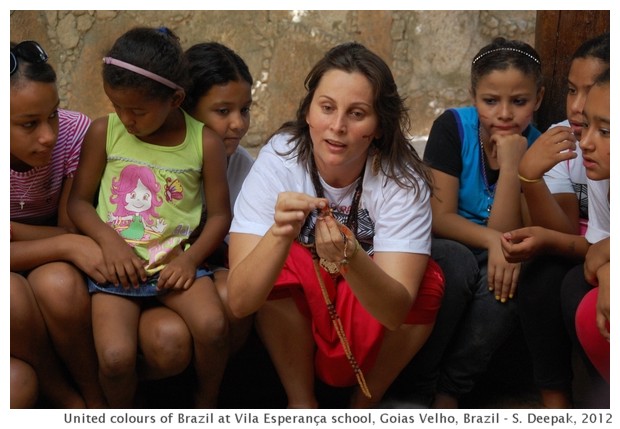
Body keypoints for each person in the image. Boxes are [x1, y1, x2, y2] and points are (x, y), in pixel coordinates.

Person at [226, 42, 445, 409]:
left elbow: (395, 310)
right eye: (326, 108)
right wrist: (280, 233)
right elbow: (239, 300)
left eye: (357, 113)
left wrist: (352, 258)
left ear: (378, 126)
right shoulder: (281, 157)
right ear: (308, 112)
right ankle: (302, 405)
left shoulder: (401, 179)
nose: (337, 127)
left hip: (365, 298)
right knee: (275, 261)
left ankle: (363, 405)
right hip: (306, 299)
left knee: (428, 281)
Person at [67, 27, 231, 408]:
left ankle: (206, 403)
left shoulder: (204, 142)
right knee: (115, 358)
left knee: (214, 327)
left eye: (137, 110)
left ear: (175, 99)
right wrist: (109, 242)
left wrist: (190, 260)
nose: (126, 118)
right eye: (117, 105)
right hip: (116, 273)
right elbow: (78, 203)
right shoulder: (104, 132)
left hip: (175, 267)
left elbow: (221, 215)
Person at [421, 37, 544, 408]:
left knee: (504, 293)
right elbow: (438, 218)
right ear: (473, 96)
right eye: (491, 101)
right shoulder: (453, 128)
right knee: (455, 265)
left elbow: (512, 230)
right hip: (449, 243)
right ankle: (418, 382)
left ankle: (450, 392)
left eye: (519, 102)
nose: (504, 114)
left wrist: (511, 165)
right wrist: (493, 243)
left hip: (503, 249)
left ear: (538, 99)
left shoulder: (539, 148)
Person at [500, 33, 609, 408]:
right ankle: (555, 404)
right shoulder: (571, 140)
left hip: (590, 249)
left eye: (592, 90)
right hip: (584, 244)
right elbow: (565, 229)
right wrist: (529, 176)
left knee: (573, 289)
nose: (578, 107)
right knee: (543, 276)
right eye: (571, 90)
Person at [137, 41, 256, 381]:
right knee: (168, 341)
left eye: (244, 110)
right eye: (223, 111)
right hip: (143, 280)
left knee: (234, 296)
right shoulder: (146, 161)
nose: (238, 124)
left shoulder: (242, 166)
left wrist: (194, 257)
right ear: (184, 109)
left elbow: (236, 247)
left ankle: (208, 396)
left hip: (195, 277)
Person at [10, 40, 107, 408]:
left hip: (49, 261)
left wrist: (14, 232)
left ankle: (95, 396)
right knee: (11, 298)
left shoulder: (72, 132)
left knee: (59, 286)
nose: (48, 134)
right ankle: (62, 394)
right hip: (44, 255)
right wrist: (63, 244)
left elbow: (72, 226)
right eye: (28, 124)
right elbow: (68, 239)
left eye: (52, 114)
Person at [562, 69, 610, 394]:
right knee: (583, 302)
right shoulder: (603, 177)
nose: (586, 142)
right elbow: (595, 254)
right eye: (587, 125)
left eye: (605, 130)